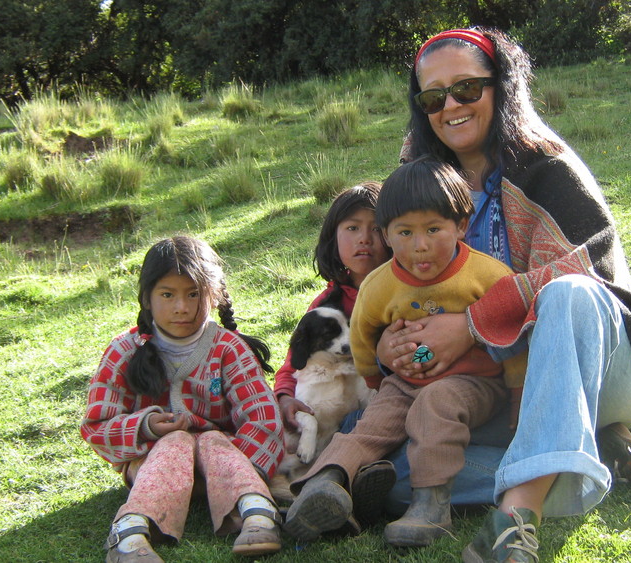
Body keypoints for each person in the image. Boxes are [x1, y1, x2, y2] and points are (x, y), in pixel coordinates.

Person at [376, 27, 631, 562]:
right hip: (487, 384)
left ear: (502, 87)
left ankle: (516, 518)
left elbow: (592, 263)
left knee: (568, 295)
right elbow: (391, 283)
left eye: (468, 89)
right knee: (396, 474)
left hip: (602, 371)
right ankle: (592, 454)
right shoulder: (418, 180)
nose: (451, 106)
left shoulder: (546, 165)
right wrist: (395, 344)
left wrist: (468, 325)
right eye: (433, 97)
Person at [283, 156, 528, 548]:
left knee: (436, 403)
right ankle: (324, 485)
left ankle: (431, 505)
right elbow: (362, 335)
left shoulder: (487, 276)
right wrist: (378, 381)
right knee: (370, 426)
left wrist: (517, 396)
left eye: (434, 229)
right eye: (405, 233)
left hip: (474, 383)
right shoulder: (380, 284)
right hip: (403, 381)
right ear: (388, 235)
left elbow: (514, 336)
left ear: (462, 225)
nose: (421, 246)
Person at [80, 236, 285, 562]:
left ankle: (258, 515)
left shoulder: (228, 349)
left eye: (194, 294)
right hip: (149, 464)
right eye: (167, 294)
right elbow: (97, 425)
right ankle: (129, 536)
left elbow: (263, 420)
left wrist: (238, 470)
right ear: (146, 299)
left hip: (223, 465)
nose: (182, 307)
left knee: (212, 441)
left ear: (214, 296)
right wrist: (145, 425)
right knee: (176, 441)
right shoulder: (124, 350)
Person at [271, 182, 395, 528]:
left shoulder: (403, 290)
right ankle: (333, 494)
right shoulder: (326, 307)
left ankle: (335, 492)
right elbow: (292, 363)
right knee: (345, 430)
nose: (364, 239)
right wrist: (284, 397)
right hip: (343, 419)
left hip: (391, 405)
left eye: (375, 229)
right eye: (352, 228)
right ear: (333, 237)